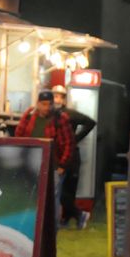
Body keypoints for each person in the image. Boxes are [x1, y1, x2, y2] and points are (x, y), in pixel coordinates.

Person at [15, 90, 75, 216]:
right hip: (31, 166)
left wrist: (62, 166)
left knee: (52, 201)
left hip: (53, 167)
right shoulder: (29, 116)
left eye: (50, 104)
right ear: (38, 103)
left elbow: (69, 143)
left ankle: (51, 232)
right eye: (44, 104)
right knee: (29, 200)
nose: (47, 107)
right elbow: (18, 137)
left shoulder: (60, 118)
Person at [52, 84, 95, 228]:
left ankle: (79, 214)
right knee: (61, 191)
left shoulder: (69, 114)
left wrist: (76, 138)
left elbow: (90, 122)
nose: (57, 99)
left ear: (64, 99)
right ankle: (66, 219)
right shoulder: (51, 116)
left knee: (66, 192)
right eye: (54, 96)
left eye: (59, 96)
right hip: (59, 156)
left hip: (70, 157)